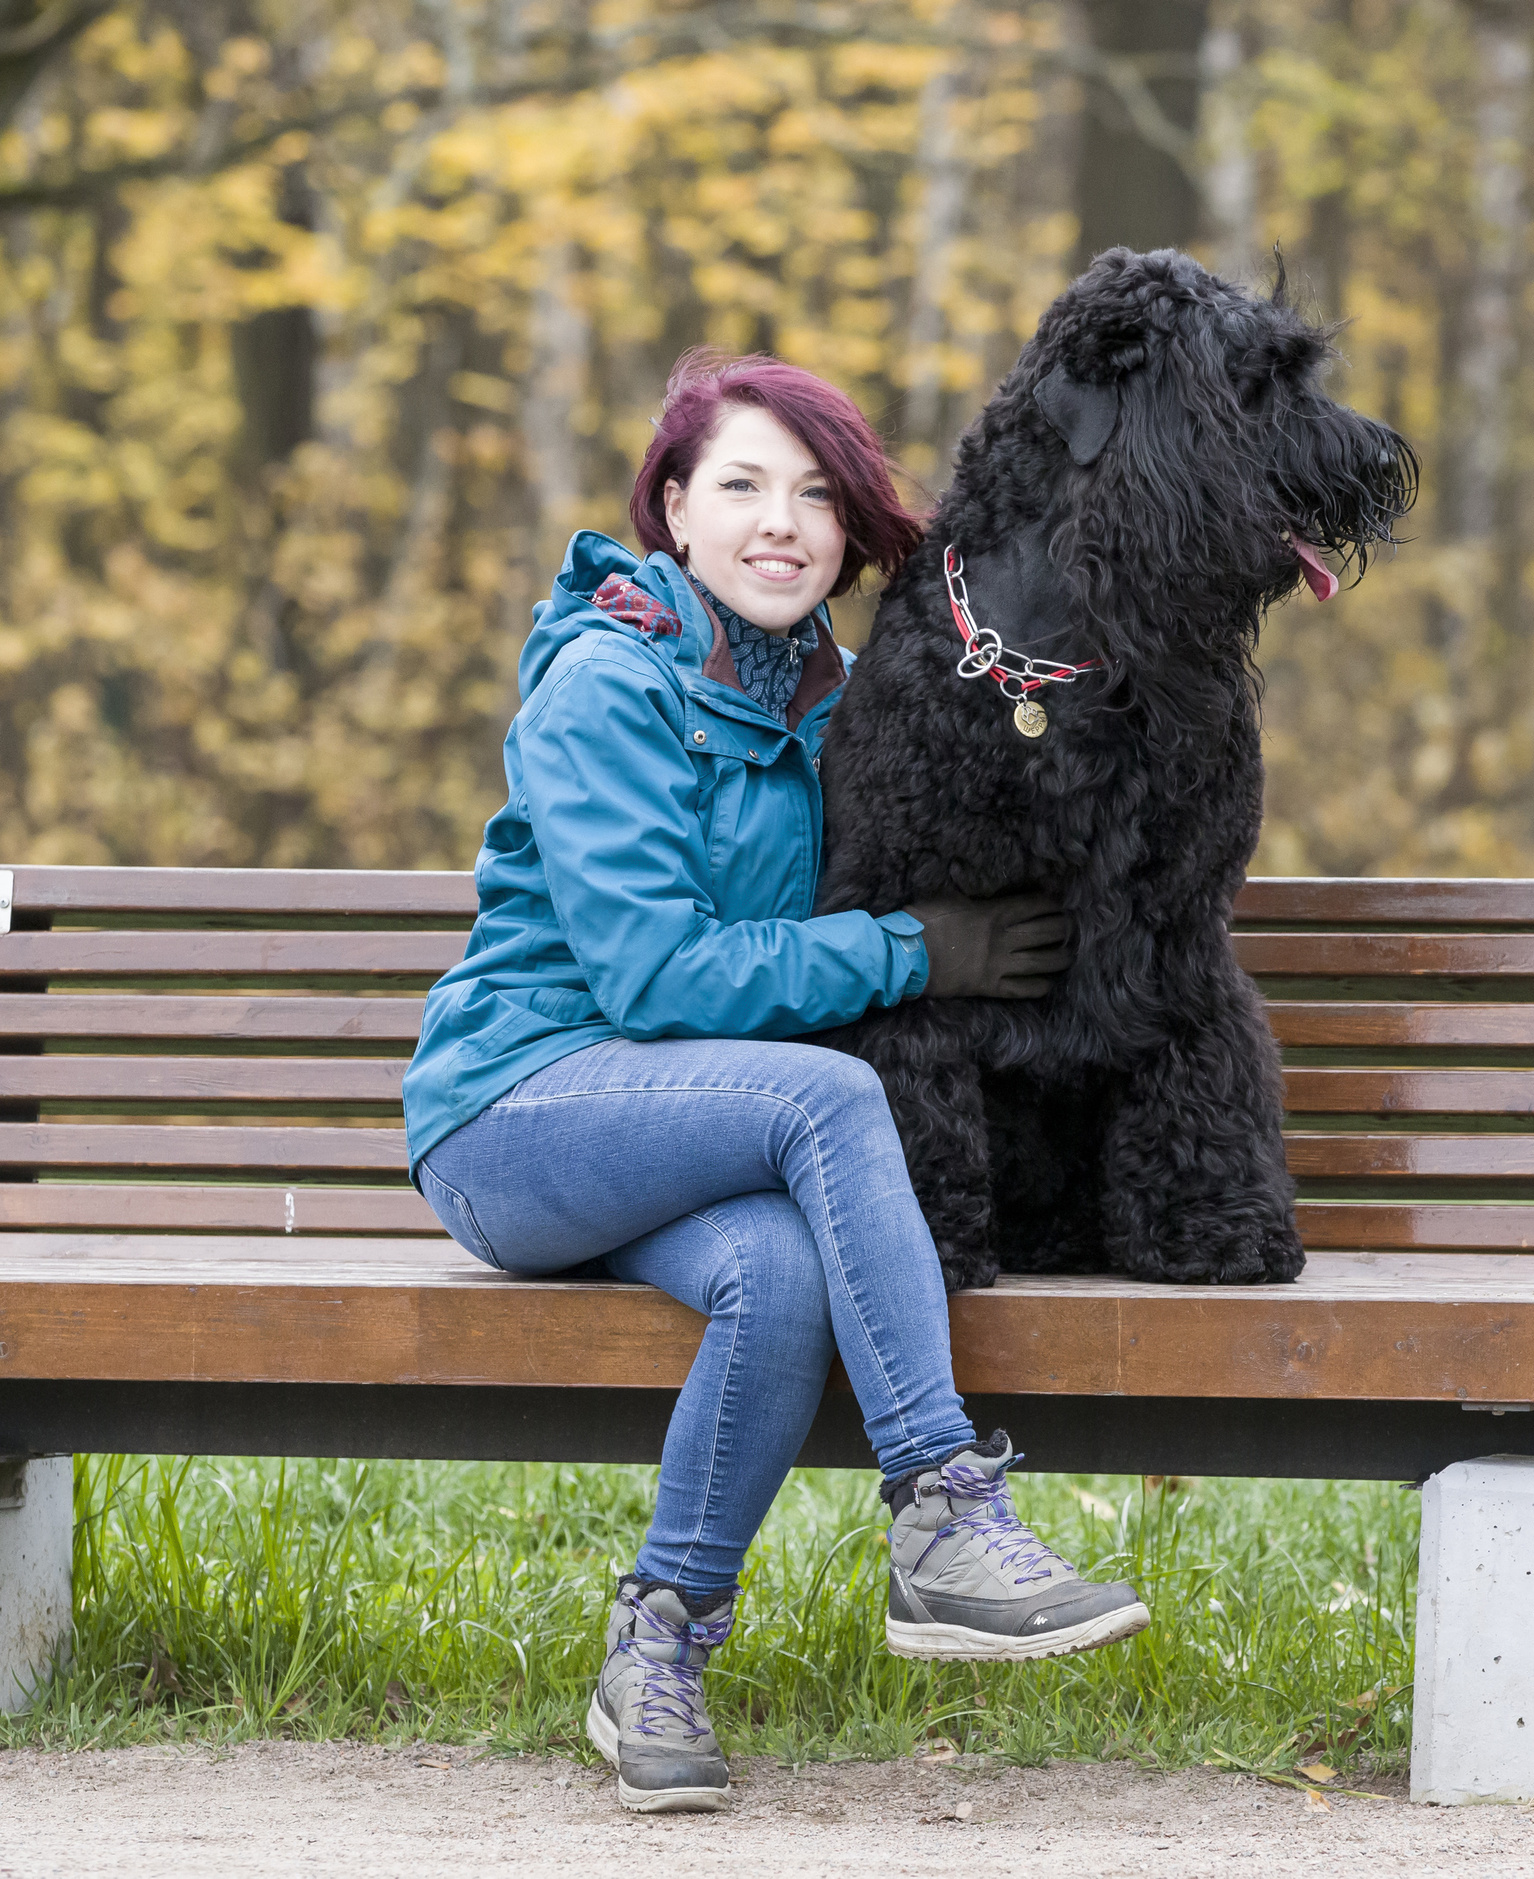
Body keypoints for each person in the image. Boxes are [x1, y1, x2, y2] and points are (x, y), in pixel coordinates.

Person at [404, 350, 1148, 1816]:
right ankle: (943, 1511)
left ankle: (659, 1645)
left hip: (679, 1138)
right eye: (741, 485)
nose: (781, 523)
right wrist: (908, 952)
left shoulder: (843, 700)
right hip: (519, 1111)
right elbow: (659, 980)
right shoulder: (607, 686)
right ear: (673, 509)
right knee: (827, 1101)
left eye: (815, 494)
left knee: (783, 1277)